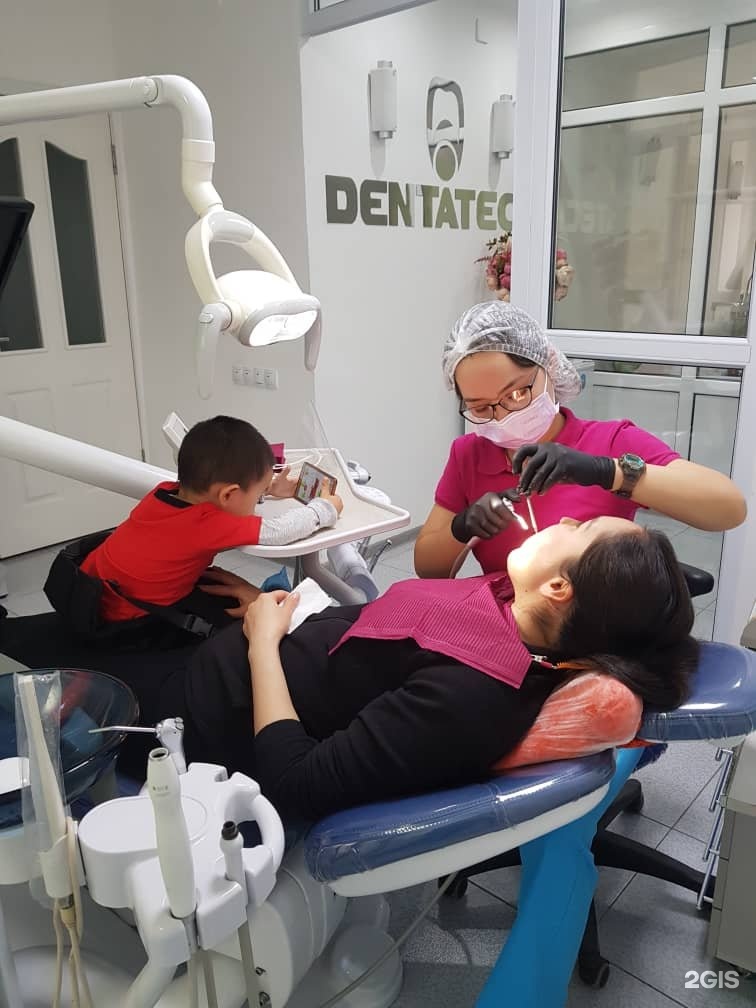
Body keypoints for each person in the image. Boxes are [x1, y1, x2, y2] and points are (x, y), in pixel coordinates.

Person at [134, 515, 698, 825]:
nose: (565, 519)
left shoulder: (471, 695)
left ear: (558, 587)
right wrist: (280, 611)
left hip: (201, 715)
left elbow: (293, 783)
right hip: (257, 642)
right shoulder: (512, 608)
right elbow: (379, 642)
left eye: (581, 528)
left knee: (89, 662)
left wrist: (262, 643)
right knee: (132, 583)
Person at [414, 302, 746, 578]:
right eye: (481, 407)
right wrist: (462, 528)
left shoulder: (610, 442)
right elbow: (428, 570)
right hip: (509, 622)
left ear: (549, 367)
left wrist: (606, 471)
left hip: (597, 625)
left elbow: (728, 508)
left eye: (516, 394)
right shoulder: (469, 455)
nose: (502, 416)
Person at [80, 415, 343, 627]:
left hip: (90, 589)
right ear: (228, 494)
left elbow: (224, 502)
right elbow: (279, 531)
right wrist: (325, 508)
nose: (257, 501)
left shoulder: (164, 492)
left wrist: (270, 489)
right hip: (125, 616)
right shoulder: (206, 524)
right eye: (256, 495)